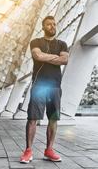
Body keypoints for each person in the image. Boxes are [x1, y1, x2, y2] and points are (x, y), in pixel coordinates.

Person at [20, 16, 69, 163]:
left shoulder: (62, 44)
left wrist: (44, 57)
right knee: (32, 118)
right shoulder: (36, 42)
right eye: (49, 24)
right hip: (39, 85)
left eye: (54, 24)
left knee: (53, 118)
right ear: (43, 27)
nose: (52, 26)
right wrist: (55, 58)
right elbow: (37, 55)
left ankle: (49, 150)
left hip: (55, 86)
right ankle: (28, 151)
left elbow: (64, 60)